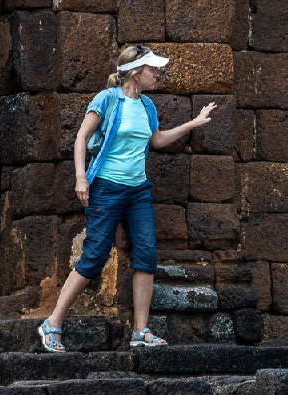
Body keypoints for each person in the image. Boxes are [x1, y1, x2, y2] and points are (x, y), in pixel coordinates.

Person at [38, 45, 217, 351]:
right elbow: (81, 137)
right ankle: (52, 323)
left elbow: (156, 140)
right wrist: (81, 178)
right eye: (152, 69)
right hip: (106, 188)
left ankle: (141, 330)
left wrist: (193, 123)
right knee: (93, 259)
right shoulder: (107, 99)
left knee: (146, 256)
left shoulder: (147, 107)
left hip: (138, 191)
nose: (156, 74)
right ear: (135, 73)